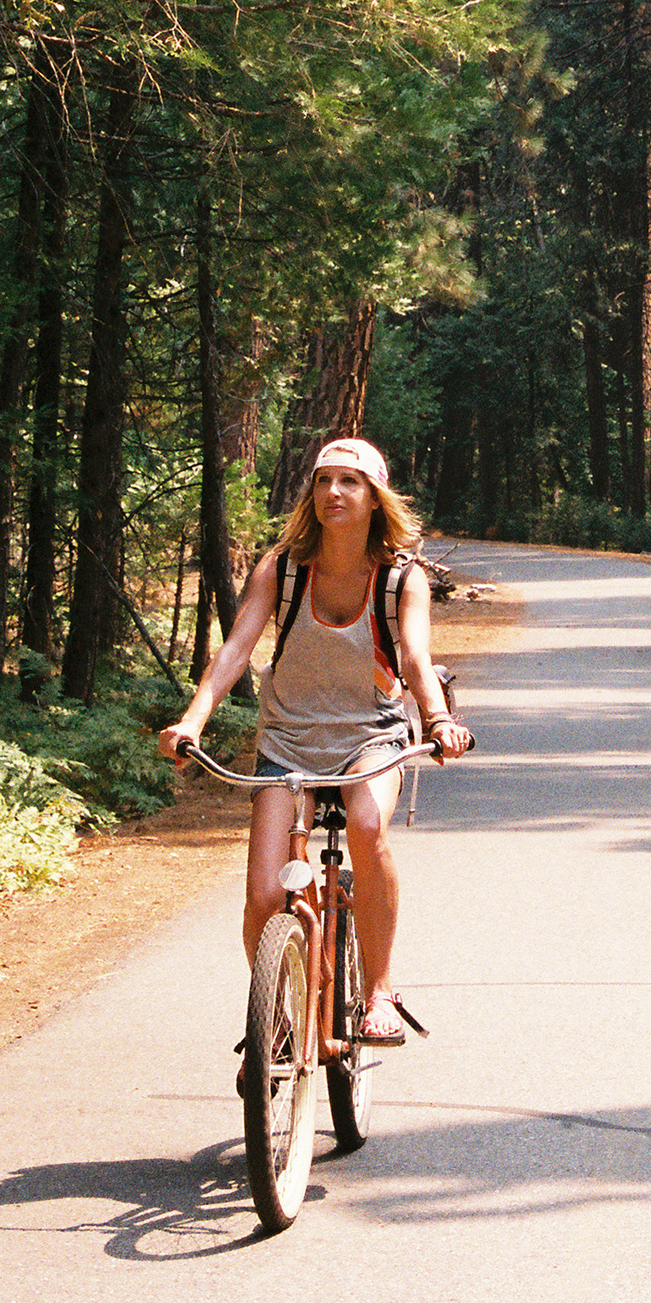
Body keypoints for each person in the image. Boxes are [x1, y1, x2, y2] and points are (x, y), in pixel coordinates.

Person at [158, 434, 468, 1048]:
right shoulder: (282, 569)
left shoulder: (400, 578)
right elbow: (237, 649)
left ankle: (379, 990)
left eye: (350, 482)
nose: (333, 492)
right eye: (324, 480)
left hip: (370, 739)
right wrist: (192, 720)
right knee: (264, 895)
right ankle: (277, 1015)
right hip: (287, 743)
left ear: (375, 498)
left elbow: (414, 657)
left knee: (367, 828)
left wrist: (437, 720)